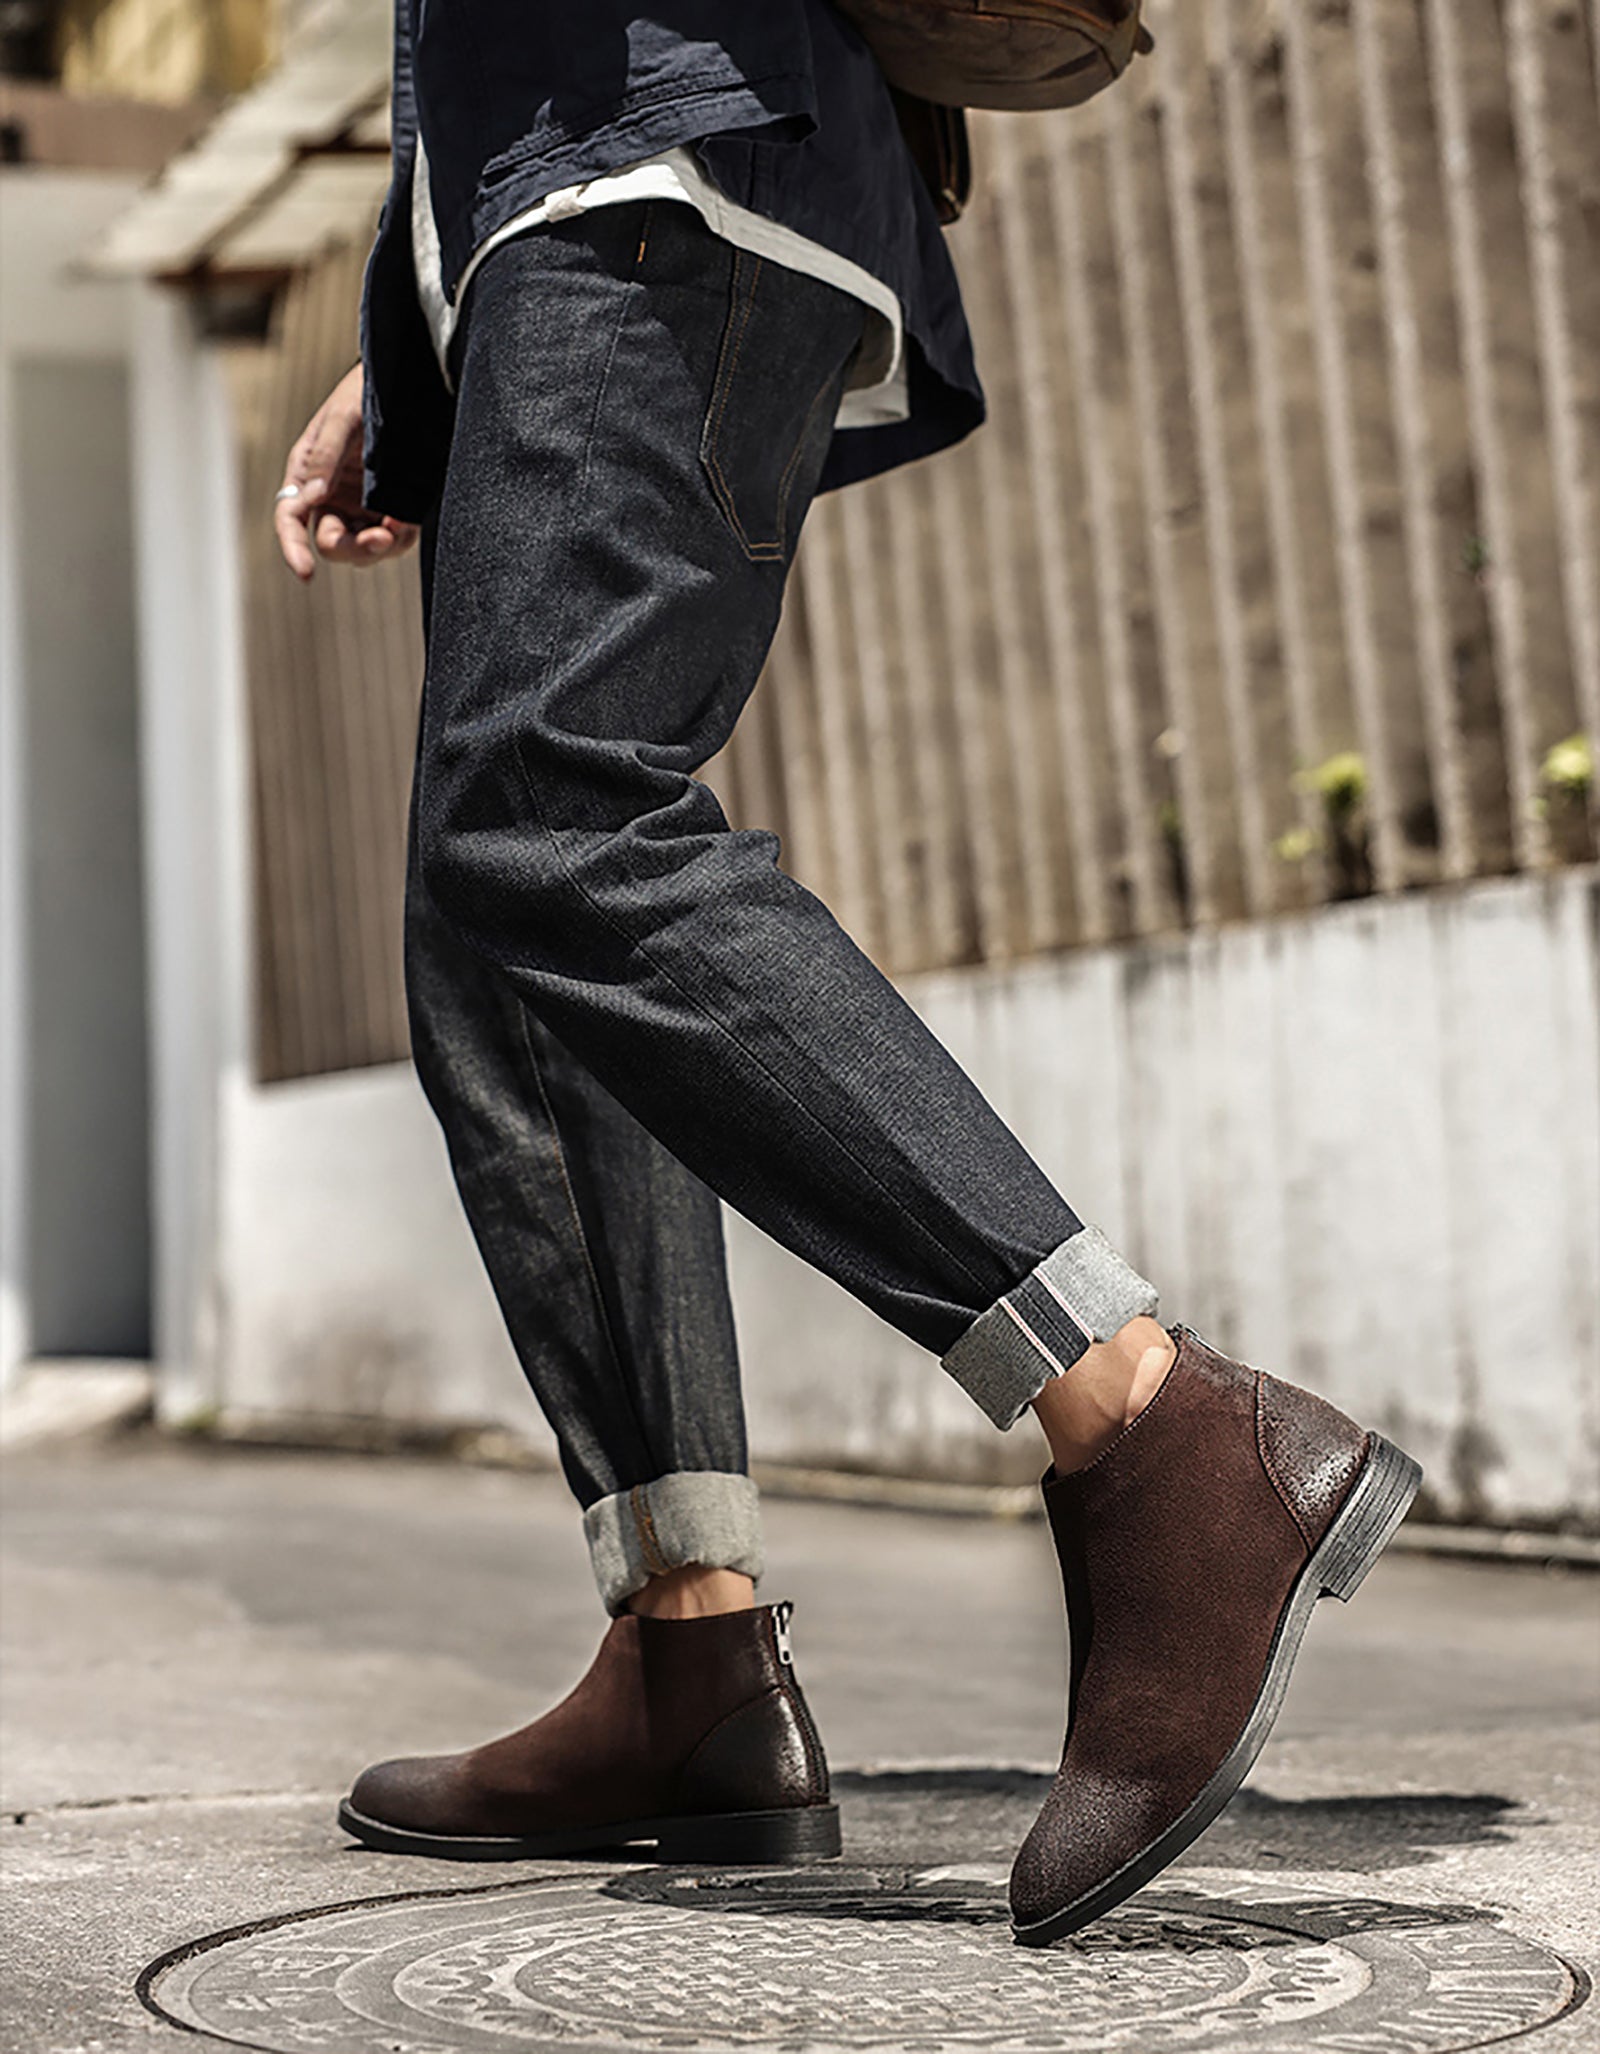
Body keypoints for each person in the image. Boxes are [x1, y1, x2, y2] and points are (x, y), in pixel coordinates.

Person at [272, 2, 1421, 1946]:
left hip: (662, 158)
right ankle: (686, 1655)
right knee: (500, 907)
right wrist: (417, 325)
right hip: (565, 194)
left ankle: (1152, 1421)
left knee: (554, 807)